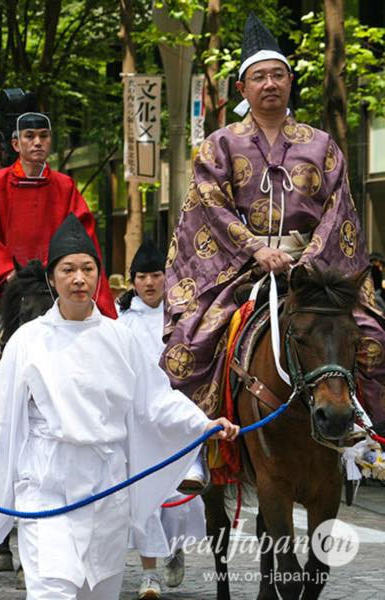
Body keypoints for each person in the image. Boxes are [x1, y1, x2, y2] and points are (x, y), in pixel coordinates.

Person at [0, 214, 238, 600]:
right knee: (52, 591)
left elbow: (155, 400)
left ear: (98, 277)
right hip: (47, 484)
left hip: (106, 487)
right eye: (68, 269)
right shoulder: (29, 341)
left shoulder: (119, 338)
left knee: (98, 591)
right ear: (53, 278)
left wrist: (203, 424)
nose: (78, 278)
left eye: (87, 269)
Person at [162, 13, 385, 433]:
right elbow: (209, 204)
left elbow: (340, 209)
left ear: (288, 82)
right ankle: (196, 444)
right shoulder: (220, 144)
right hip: (240, 269)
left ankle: (367, 431)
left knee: (373, 336)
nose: (270, 83)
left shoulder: (321, 145)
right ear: (244, 87)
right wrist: (257, 249)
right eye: (259, 76)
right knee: (191, 343)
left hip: (313, 271)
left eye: (278, 75)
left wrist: (310, 259)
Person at [0, 112, 117, 348]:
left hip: (55, 277)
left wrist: (62, 270)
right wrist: (4, 270)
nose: (37, 142)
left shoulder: (65, 185)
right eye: (29, 136)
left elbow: (82, 235)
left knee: (104, 334)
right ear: (15, 144)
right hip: (6, 278)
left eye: (43, 136)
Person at [118, 239, 206, 599]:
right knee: (144, 496)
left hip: (174, 416)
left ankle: (174, 548)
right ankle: (149, 572)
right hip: (137, 421)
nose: (150, 282)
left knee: (179, 494)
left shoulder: (183, 319)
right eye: (142, 276)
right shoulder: (120, 321)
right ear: (133, 281)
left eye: (156, 275)